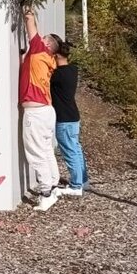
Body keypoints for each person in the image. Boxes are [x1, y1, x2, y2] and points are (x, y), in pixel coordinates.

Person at [18, 4, 60, 211]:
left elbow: (29, 23)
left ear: (47, 44)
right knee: (45, 149)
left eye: (44, 38)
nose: (39, 38)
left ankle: (46, 193)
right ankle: (53, 184)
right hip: (46, 110)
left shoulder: (39, 49)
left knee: (35, 152)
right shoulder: (48, 59)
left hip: (35, 112)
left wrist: (28, 8)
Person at [49, 35, 87, 197]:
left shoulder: (56, 76)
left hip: (63, 119)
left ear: (56, 56)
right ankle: (83, 181)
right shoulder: (73, 70)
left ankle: (76, 185)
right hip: (73, 117)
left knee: (70, 151)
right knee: (76, 149)